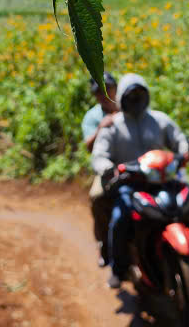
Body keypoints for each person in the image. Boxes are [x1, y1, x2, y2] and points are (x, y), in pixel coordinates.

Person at [92, 74, 189, 289]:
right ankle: (119, 267)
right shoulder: (112, 127)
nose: (135, 99)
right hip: (130, 184)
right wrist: (109, 168)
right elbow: (99, 156)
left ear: (147, 95)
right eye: (130, 95)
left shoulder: (160, 120)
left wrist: (184, 152)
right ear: (122, 98)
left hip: (163, 181)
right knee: (120, 218)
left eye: (139, 94)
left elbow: (179, 140)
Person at [81, 72, 118, 266]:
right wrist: (101, 128)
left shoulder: (128, 104)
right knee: (98, 198)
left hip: (134, 163)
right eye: (99, 92)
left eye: (107, 89)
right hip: (107, 169)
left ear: (115, 88)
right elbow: (88, 146)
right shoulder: (93, 117)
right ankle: (103, 244)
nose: (104, 94)